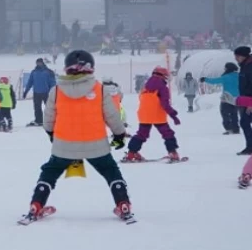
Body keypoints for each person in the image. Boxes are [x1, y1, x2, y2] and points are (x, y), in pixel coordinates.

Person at [19, 50, 134, 224]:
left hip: (64, 144)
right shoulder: (99, 89)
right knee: (110, 171)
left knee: (50, 172)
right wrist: (119, 135)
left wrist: (52, 134)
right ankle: (123, 203)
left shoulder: (56, 91)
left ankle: (36, 204)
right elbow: (112, 116)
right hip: (96, 144)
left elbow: (48, 119)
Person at [123, 67, 182, 162]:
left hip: (144, 115)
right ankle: (173, 153)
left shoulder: (145, 87)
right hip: (157, 115)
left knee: (141, 134)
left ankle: (131, 153)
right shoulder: (163, 88)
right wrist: (173, 115)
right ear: (163, 76)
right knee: (167, 134)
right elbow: (165, 104)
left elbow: (141, 100)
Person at [200, 62, 240, 135]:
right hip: (237, 99)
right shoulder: (239, 76)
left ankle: (229, 128)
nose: (224, 69)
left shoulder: (226, 77)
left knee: (225, 113)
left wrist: (205, 79)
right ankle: (236, 129)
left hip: (227, 98)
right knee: (234, 114)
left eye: (225, 68)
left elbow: (214, 81)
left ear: (228, 68)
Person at [23, 58, 57, 127]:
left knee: (49, 108)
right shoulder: (34, 72)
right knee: (37, 107)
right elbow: (30, 82)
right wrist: (26, 91)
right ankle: (39, 120)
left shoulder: (48, 72)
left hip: (46, 93)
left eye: (40, 62)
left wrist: (53, 92)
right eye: (37, 63)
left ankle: (52, 120)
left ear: (43, 63)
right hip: (36, 93)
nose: (38, 64)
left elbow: (53, 83)